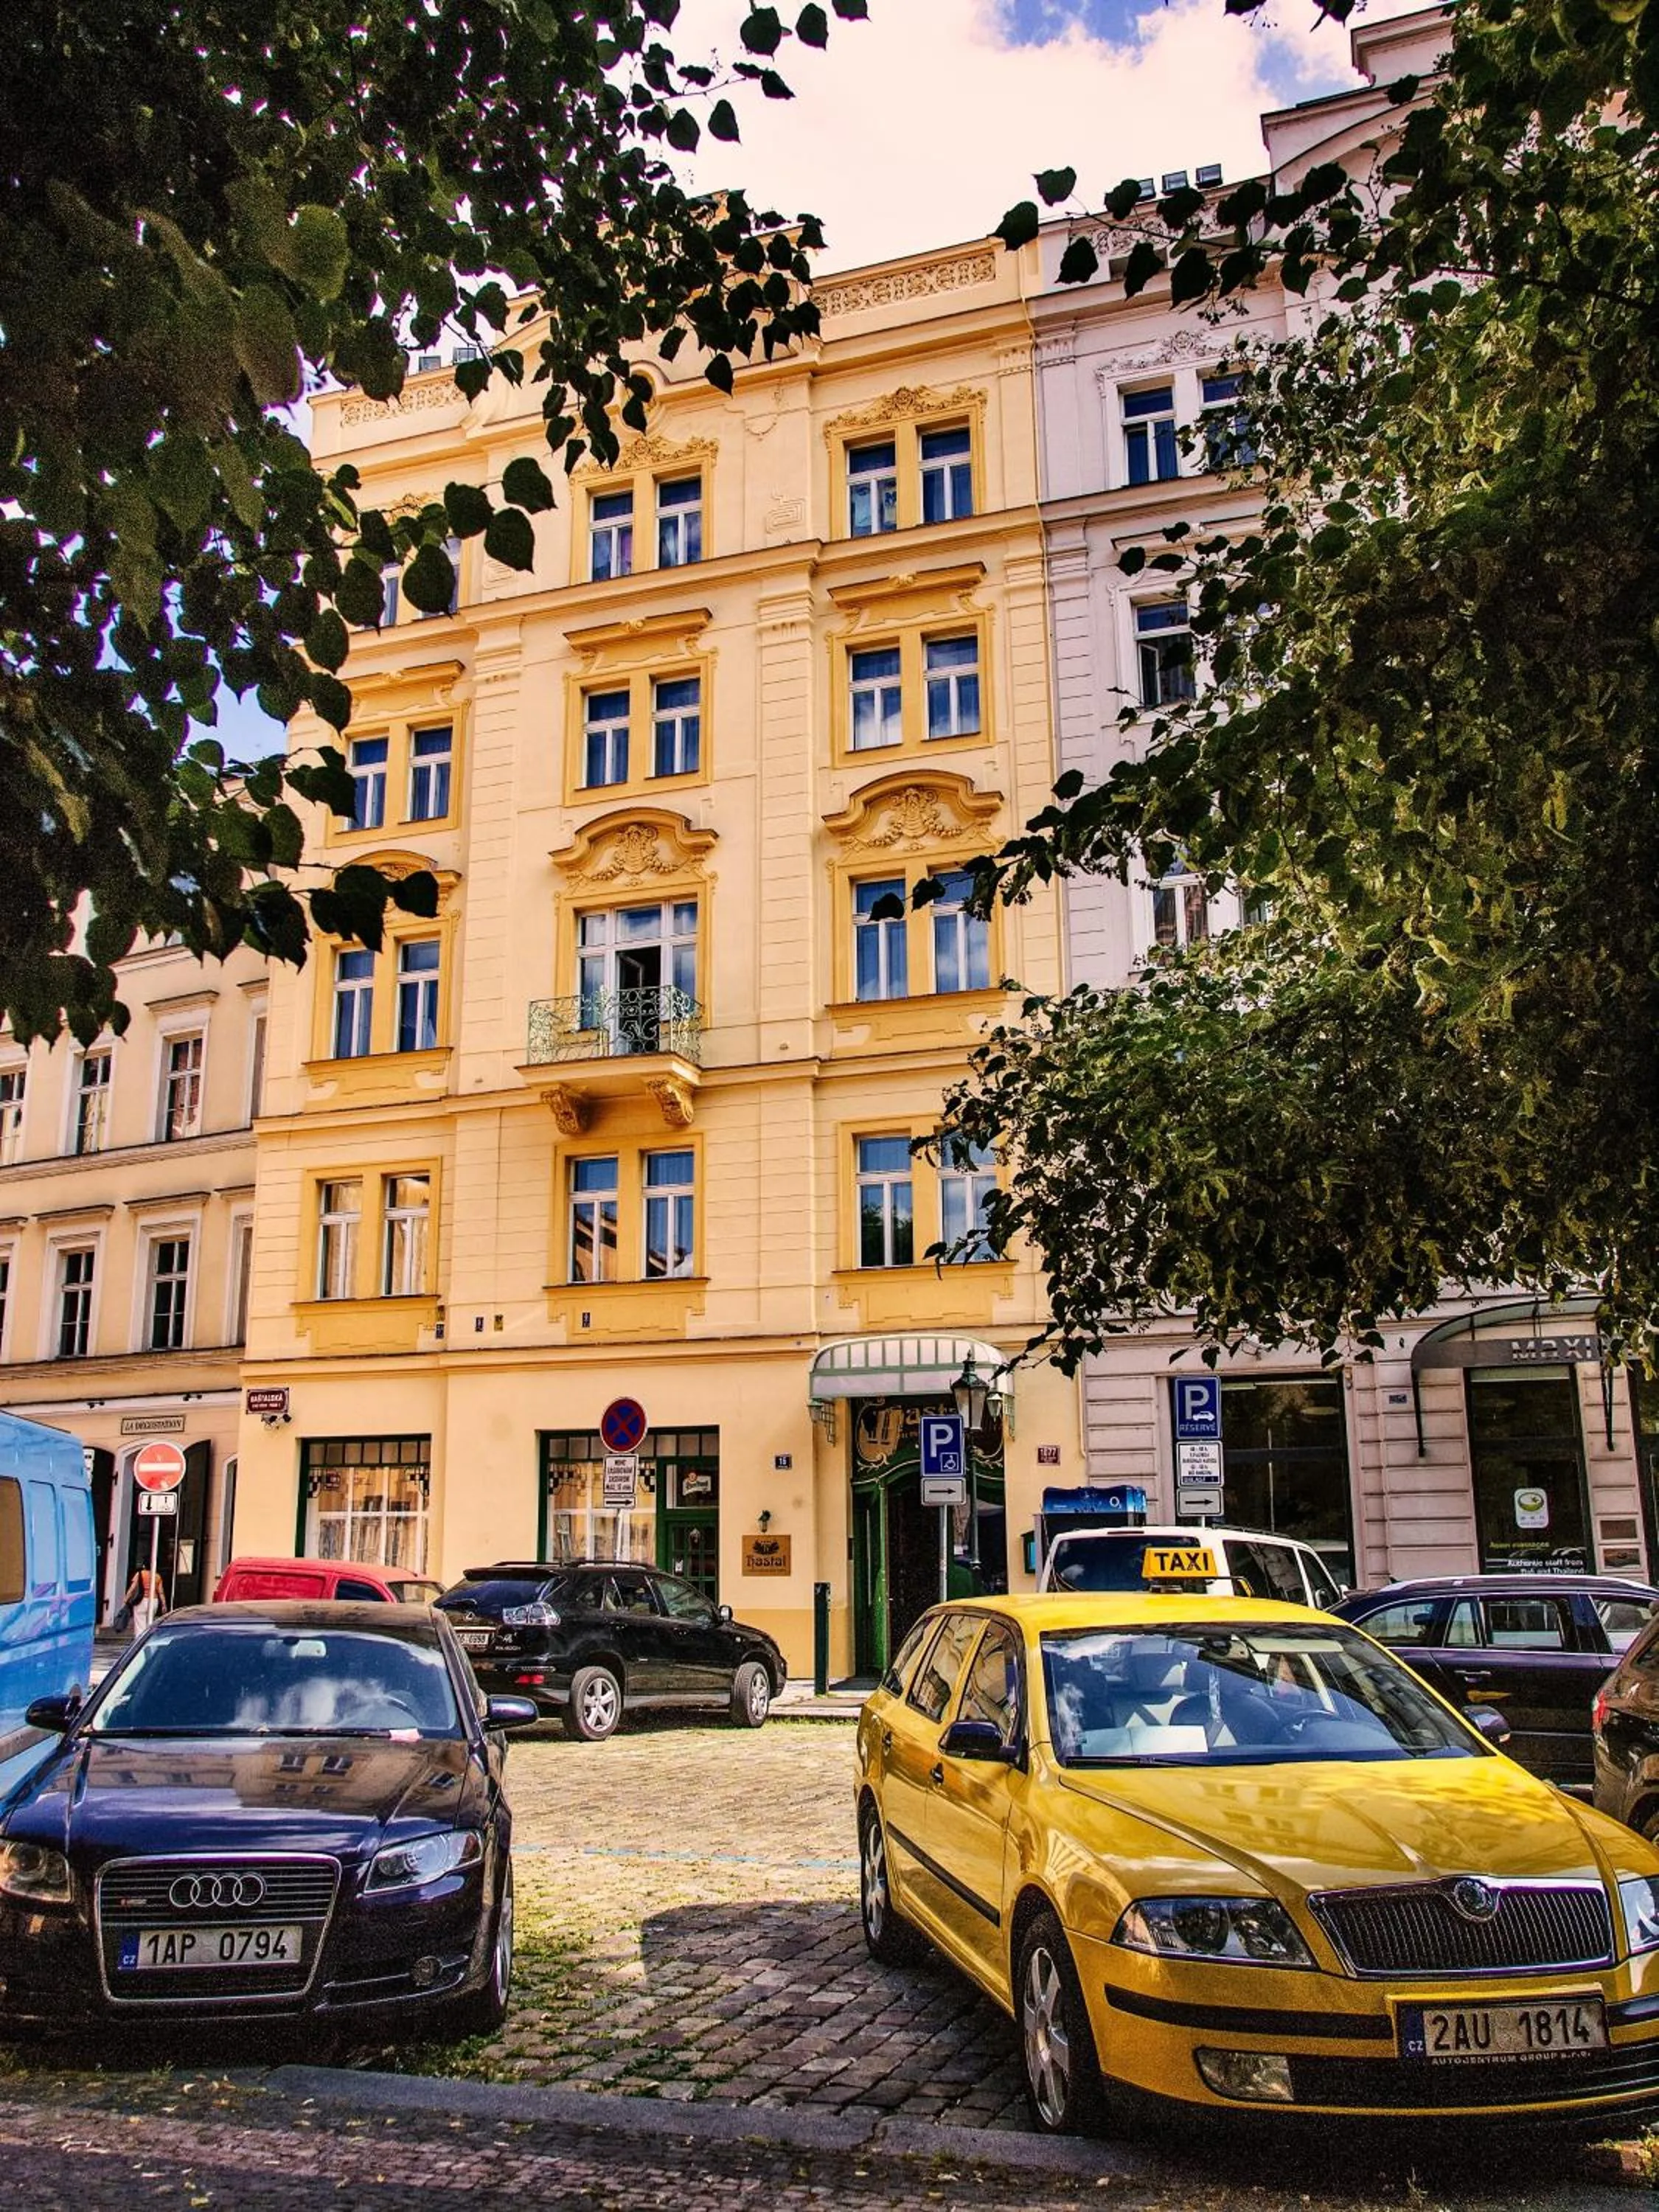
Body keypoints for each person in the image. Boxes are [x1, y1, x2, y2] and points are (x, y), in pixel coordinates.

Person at [122, 1563, 167, 1638]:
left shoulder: (140, 1574)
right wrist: (164, 1604)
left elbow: (132, 1588)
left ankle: (140, 1642)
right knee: (150, 1622)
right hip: (154, 1601)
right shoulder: (157, 1576)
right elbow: (161, 1592)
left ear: (144, 1566)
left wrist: (126, 1599)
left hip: (141, 1601)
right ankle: (149, 1640)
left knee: (140, 1624)